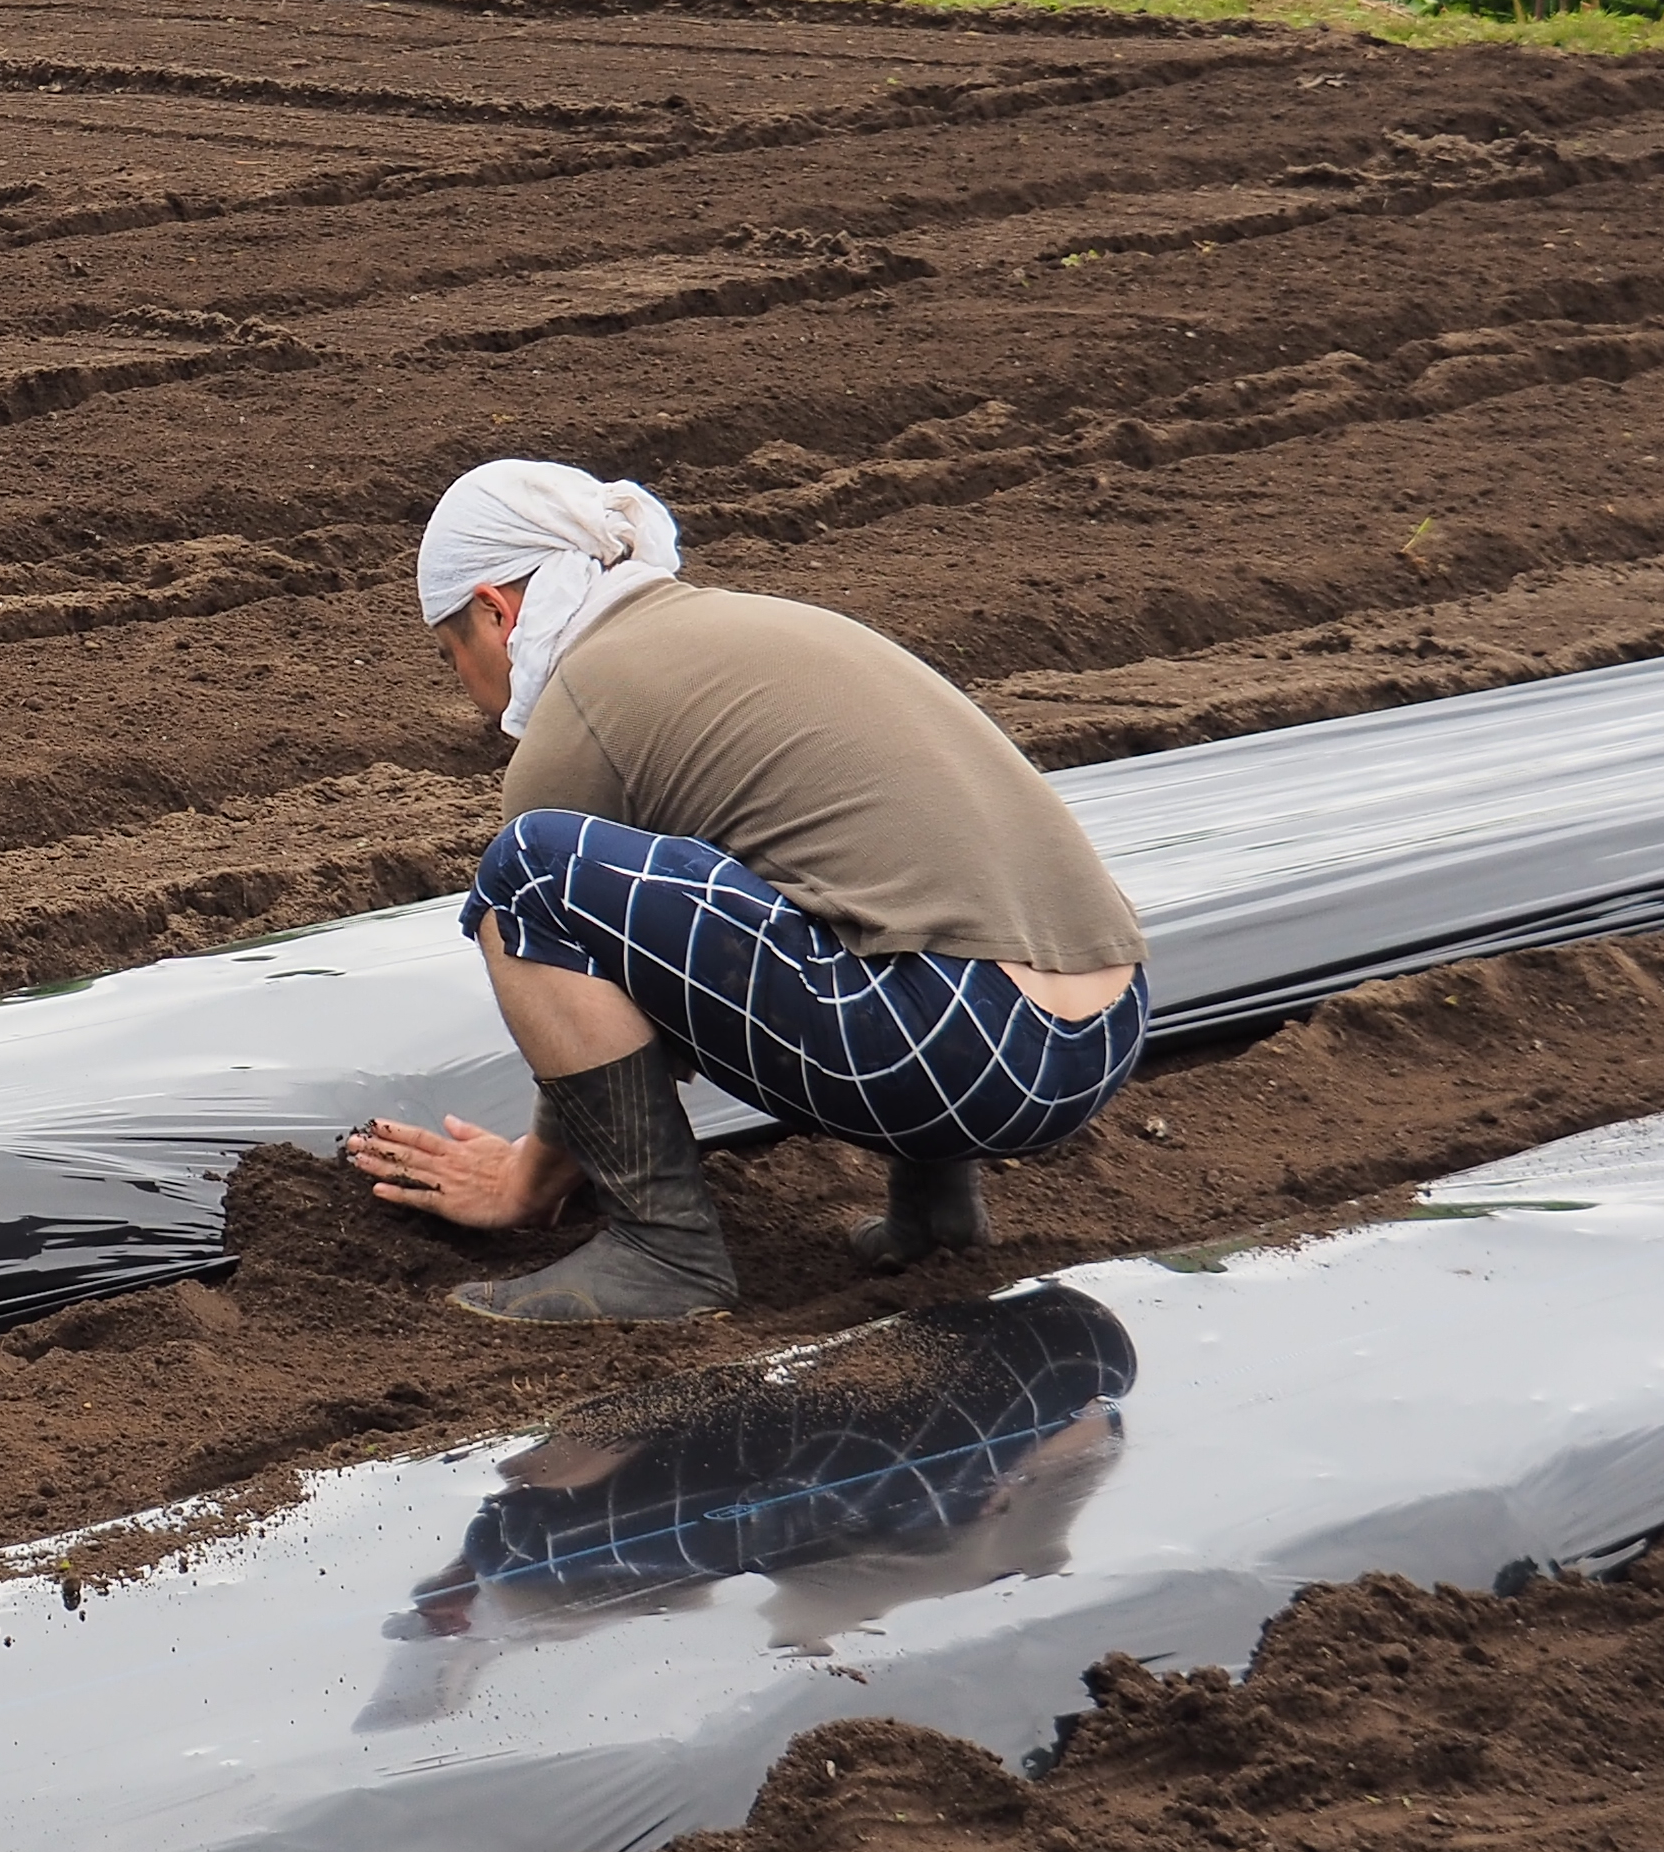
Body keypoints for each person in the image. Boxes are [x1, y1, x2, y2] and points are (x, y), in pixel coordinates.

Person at [345, 461, 1149, 1324]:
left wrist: (527, 1180)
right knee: (835, 874)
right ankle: (936, 1212)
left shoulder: (582, 704)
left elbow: (576, 956)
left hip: (956, 1051)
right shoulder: (751, 628)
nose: (464, 688)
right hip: (1104, 1031)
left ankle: (665, 1251)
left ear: (496, 612)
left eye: (450, 653)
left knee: (529, 871)